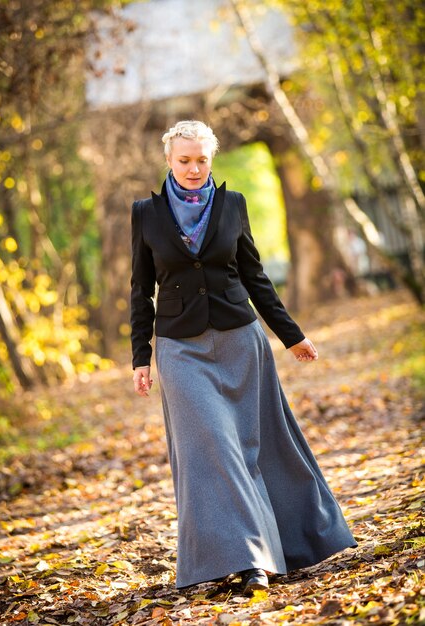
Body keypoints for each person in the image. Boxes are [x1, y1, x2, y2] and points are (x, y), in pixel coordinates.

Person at [130, 120, 357, 595]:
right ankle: (249, 556)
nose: (194, 169)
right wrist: (140, 356)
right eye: (184, 160)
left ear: (212, 159)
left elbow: (255, 277)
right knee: (214, 447)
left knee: (258, 448)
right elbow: (139, 290)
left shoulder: (233, 205)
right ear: (169, 161)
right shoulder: (145, 214)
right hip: (180, 349)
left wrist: (291, 335)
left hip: (240, 341)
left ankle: (276, 552)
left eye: (202, 159)